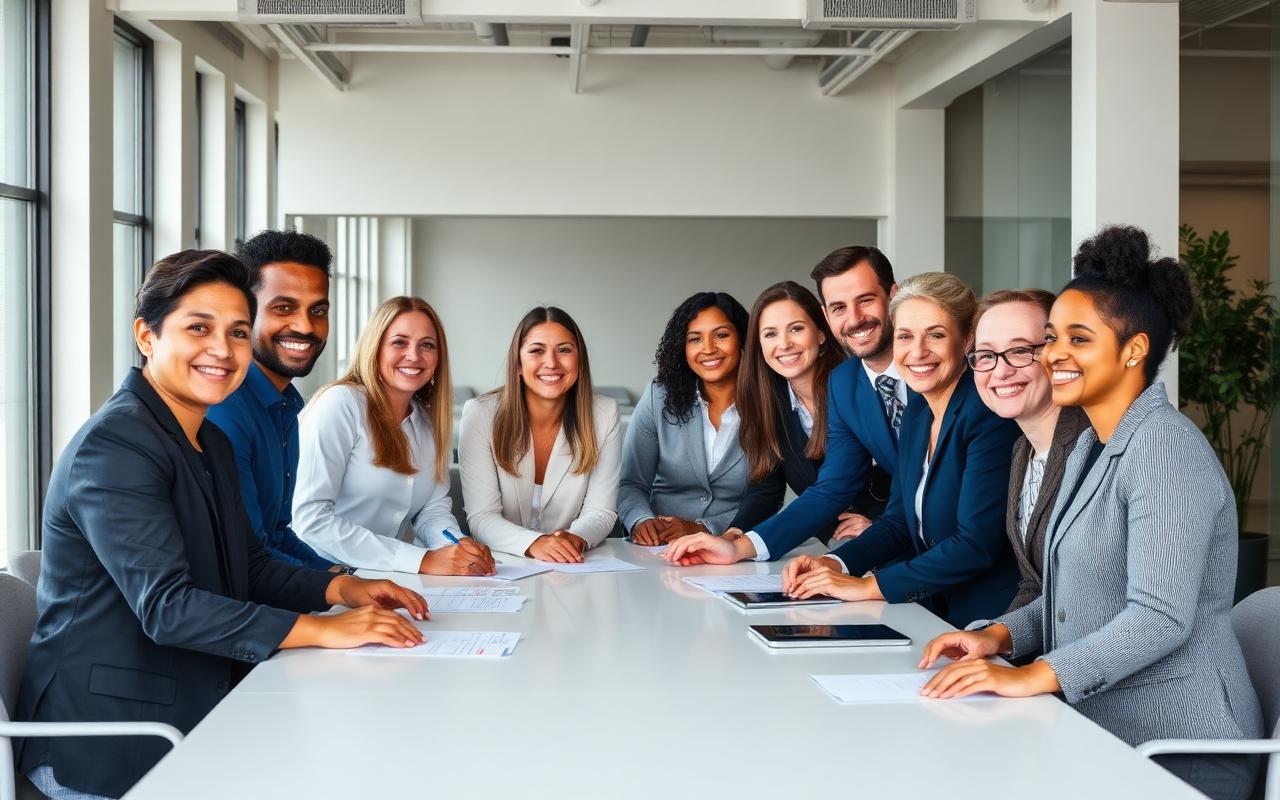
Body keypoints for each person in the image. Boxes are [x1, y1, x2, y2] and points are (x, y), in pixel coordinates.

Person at [16, 251, 430, 800]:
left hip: (194, 706)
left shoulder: (205, 437)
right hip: (113, 742)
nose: (222, 349)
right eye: (198, 327)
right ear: (147, 336)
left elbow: (249, 562)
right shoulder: (115, 446)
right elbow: (168, 608)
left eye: (237, 332)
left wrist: (343, 588)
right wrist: (324, 630)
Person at [919, 226, 1263, 800]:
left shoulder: (1163, 448)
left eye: (1079, 339)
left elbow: (1158, 617)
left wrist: (1034, 674)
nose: (1055, 353)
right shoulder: (1090, 446)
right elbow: (1068, 597)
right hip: (1097, 728)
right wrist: (1001, 637)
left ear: (1134, 350)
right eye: (1052, 337)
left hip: (1180, 750)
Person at [774, 272, 1022, 628]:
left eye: (936, 335)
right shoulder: (920, 409)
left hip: (994, 620)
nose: (917, 352)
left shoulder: (986, 414)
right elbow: (899, 521)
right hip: (934, 612)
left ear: (967, 339)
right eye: (905, 336)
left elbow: (975, 545)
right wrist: (837, 564)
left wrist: (868, 586)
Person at [663, 245, 906, 566]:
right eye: (770, 334)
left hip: (903, 541)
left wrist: (878, 526)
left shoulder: (900, 374)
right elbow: (821, 489)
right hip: (863, 546)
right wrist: (735, 542)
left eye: (865, 300)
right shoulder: (834, 386)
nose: (784, 344)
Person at [293, 296, 496, 576]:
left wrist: (458, 546)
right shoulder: (340, 404)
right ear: (375, 348)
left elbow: (431, 512)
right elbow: (310, 519)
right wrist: (421, 561)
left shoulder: (427, 422)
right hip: (317, 578)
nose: (414, 355)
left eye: (427, 345)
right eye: (399, 342)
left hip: (382, 578)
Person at [207, 230, 335, 570]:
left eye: (318, 310)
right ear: (244, 312)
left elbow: (277, 534)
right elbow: (250, 558)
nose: (306, 326)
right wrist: (338, 588)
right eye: (284, 307)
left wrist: (346, 577)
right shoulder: (223, 407)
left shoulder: (285, 406)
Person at [730, 280, 890, 542]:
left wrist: (883, 522)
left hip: (894, 536)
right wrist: (734, 534)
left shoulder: (861, 386)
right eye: (770, 334)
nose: (783, 344)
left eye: (796, 329)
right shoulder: (770, 404)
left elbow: (914, 473)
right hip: (835, 542)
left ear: (821, 332)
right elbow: (766, 489)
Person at [458, 307, 621, 562]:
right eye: (536, 350)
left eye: (564, 350)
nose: (551, 363)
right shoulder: (480, 413)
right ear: (518, 364)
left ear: (580, 360)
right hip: (503, 565)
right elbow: (482, 517)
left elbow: (601, 511)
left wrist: (575, 538)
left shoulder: (604, 413)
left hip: (574, 566)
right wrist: (535, 543)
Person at [618, 291, 779, 544]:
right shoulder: (658, 396)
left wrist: (705, 528)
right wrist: (641, 520)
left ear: (743, 339)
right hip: (659, 548)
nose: (708, 349)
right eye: (695, 339)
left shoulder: (770, 403)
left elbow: (768, 496)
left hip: (734, 546)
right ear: (682, 348)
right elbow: (631, 483)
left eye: (721, 335)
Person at [968, 289, 1090, 613]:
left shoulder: (1095, 444)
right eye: (985, 355)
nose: (1001, 370)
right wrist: (994, 637)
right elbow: (1037, 585)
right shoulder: (1023, 450)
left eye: (1020, 350)